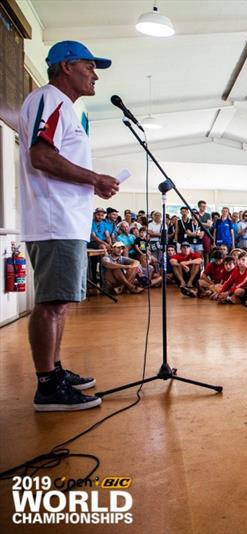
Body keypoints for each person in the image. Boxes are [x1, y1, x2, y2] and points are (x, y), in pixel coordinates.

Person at [20, 40, 118, 411]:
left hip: (64, 220)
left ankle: (55, 371)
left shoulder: (62, 107)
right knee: (51, 304)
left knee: (58, 304)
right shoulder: (51, 100)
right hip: (54, 218)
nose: (94, 75)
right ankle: (47, 386)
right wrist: (94, 178)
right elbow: (42, 155)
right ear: (66, 67)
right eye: (90, 67)